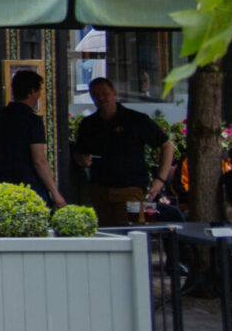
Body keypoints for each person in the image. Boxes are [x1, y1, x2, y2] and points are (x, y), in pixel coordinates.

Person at [74, 77, 174, 226]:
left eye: (104, 93)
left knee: (134, 231)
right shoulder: (88, 124)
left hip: (130, 189)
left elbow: (167, 145)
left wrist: (160, 179)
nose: (101, 98)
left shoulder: (136, 120)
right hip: (99, 190)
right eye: (96, 95)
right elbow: (78, 152)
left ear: (114, 93)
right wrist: (82, 159)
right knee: (104, 235)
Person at [0, 70, 66, 208]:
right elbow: (39, 160)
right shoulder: (32, 120)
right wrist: (56, 194)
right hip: (30, 185)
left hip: (4, 181)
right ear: (31, 92)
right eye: (38, 91)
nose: (39, 95)